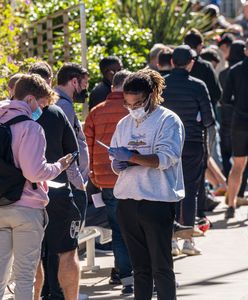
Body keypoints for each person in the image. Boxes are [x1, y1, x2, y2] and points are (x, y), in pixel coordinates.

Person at [109, 69, 185, 300]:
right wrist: (117, 164)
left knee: (161, 267)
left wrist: (131, 157)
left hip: (157, 200)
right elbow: (114, 158)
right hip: (127, 201)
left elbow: (165, 159)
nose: (133, 109)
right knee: (139, 269)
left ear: (152, 95)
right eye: (128, 104)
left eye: (138, 103)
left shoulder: (168, 120)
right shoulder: (124, 123)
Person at [0, 74, 72, 300]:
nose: (41, 110)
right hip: (26, 207)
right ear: (30, 99)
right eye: (41, 104)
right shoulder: (30, 128)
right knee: (23, 276)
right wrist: (58, 166)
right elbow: (34, 172)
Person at [28, 61, 88, 300]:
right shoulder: (56, 112)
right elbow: (72, 154)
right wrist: (79, 188)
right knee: (66, 251)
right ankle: (64, 296)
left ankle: (38, 295)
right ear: (49, 82)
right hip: (58, 191)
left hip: (24, 195)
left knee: (31, 255)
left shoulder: (10, 115)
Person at [84, 70, 134, 295]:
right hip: (133, 177)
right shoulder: (133, 112)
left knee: (117, 229)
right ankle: (137, 274)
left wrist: (93, 176)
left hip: (105, 180)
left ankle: (125, 277)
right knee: (136, 228)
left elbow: (86, 147)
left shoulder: (95, 112)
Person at [163, 45, 215, 255]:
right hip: (192, 144)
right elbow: (209, 120)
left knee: (168, 191)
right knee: (190, 191)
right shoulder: (198, 86)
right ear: (191, 63)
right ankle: (188, 242)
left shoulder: (162, 84)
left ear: (172, 62)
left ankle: (171, 241)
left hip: (166, 145)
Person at [222, 39, 248, 219]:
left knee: (237, 165)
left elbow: (225, 99)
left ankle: (231, 203)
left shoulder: (235, 70)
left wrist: (237, 107)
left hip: (239, 121)